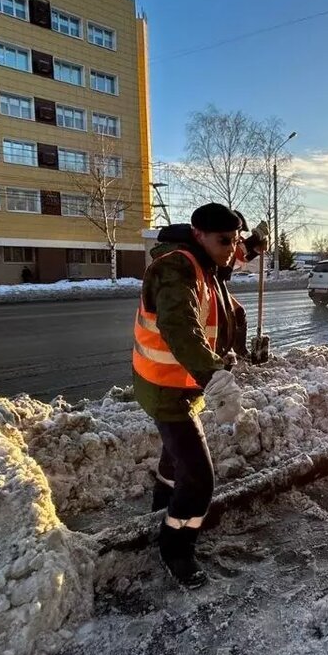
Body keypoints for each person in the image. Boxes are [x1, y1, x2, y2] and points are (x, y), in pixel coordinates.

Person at [132, 202, 269, 589]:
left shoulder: (206, 259)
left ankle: (162, 503)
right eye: (224, 240)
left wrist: (253, 245)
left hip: (180, 383)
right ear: (198, 236)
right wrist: (215, 378)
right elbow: (181, 328)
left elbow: (230, 260)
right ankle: (176, 546)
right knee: (200, 478)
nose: (231, 248)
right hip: (166, 386)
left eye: (235, 239)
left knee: (177, 458)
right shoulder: (175, 270)